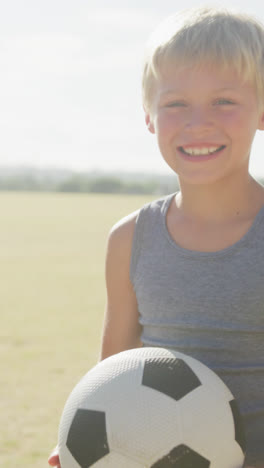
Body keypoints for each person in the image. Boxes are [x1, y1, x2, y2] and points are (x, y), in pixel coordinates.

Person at [48, 6, 264, 468]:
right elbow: (113, 378)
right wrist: (80, 447)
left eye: (224, 101)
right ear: (149, 116)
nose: (197, 122)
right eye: (175, 104)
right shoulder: (131, 239)